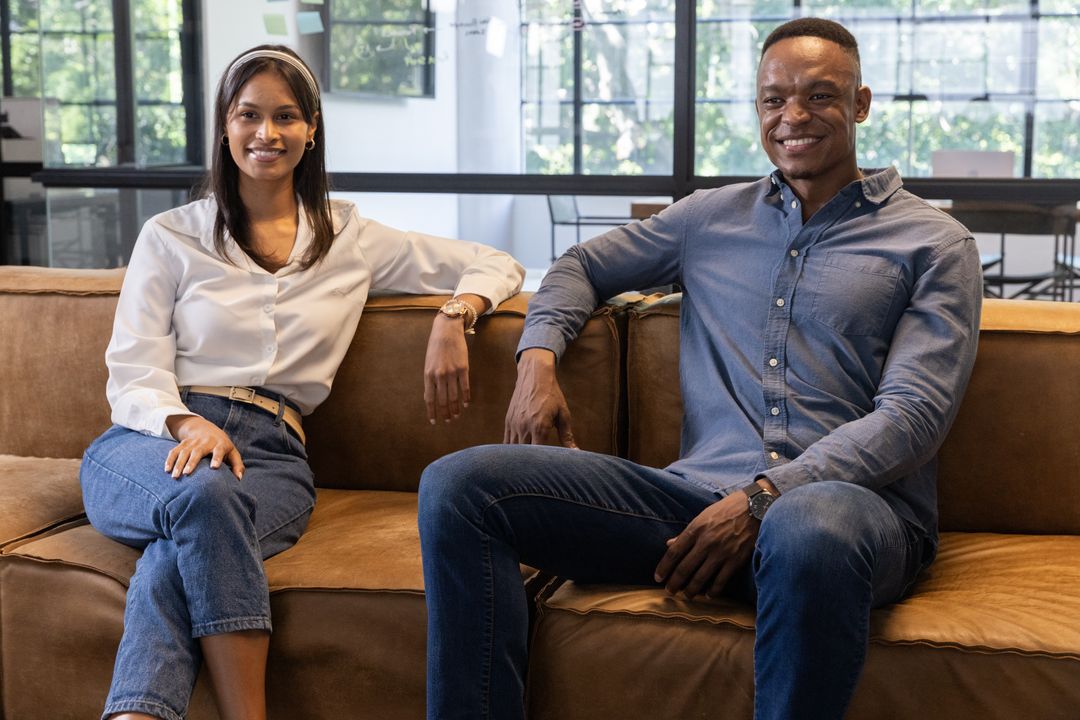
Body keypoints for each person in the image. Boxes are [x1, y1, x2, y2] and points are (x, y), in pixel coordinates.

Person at [418, 17, 982, 720]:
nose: (793, 117)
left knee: (806, 525)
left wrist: (766, 496)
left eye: (820, 96)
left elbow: (913, 417)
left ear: (860, 104)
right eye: (774, 99)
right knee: (460, 486)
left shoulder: (934, 243)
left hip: (853, 516)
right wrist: (537, 360)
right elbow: (580, 266)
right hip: (695, 507)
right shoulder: (708, 220)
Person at [79, 44, 523, 720]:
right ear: (225, 127)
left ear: (312, 127)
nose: (267, 134)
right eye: (248, 115)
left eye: (286, 116)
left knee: (187, 541)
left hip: (272, 456)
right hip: (150, 440)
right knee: (201, 493)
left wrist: (455, 313)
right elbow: (133, 368)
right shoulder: (170, 236)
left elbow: (492, 261)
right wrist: (184, 422)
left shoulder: (351, 237)